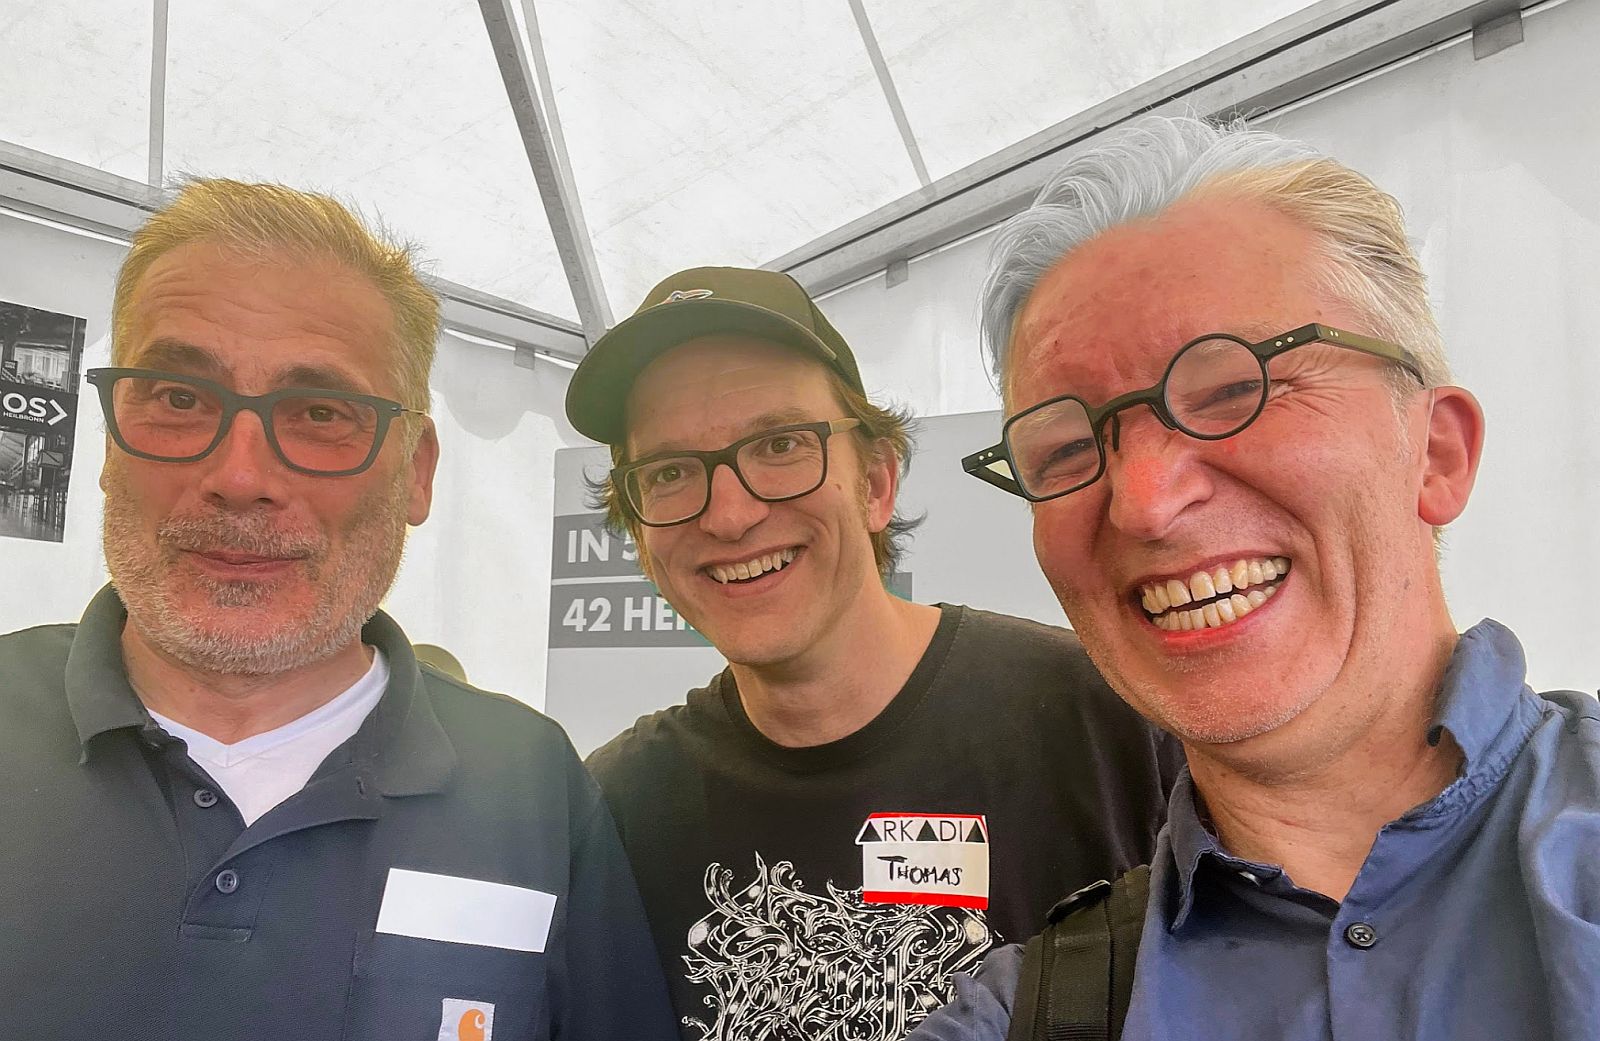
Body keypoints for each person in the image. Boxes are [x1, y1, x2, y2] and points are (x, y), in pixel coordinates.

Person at [913, 116, 1600, 1041]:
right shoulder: (1028, 1010)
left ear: (1436, 452)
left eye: (1236, 388)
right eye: (1067, 447)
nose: (1144, 502)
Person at [0, 179, 676, 1041]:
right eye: (178, 398)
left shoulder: (535, 788)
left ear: (416, 472)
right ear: (108, 439)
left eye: (321, 413)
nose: (239, 476)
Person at [562, 266, 1183, 1041]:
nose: (728, 514)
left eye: (780, 444)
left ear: (877, 482)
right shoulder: (616, 808)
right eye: (669, 471)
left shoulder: (1112, 723)